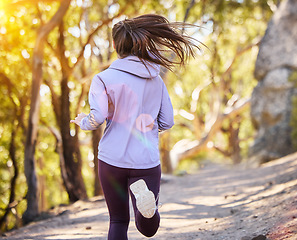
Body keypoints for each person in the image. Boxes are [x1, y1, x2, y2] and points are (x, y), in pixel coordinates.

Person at [71, 14, 200, 240]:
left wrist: (83, 121)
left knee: (118, 221)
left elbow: (98, 117)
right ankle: (147, 211)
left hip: (111, 160)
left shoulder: (103, 78)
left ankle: (144, 210)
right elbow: (167, 121)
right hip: (146, 160)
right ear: (139, 42)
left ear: (114, 45)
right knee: (148, 229)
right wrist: (148, 127)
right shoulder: (156, 79)